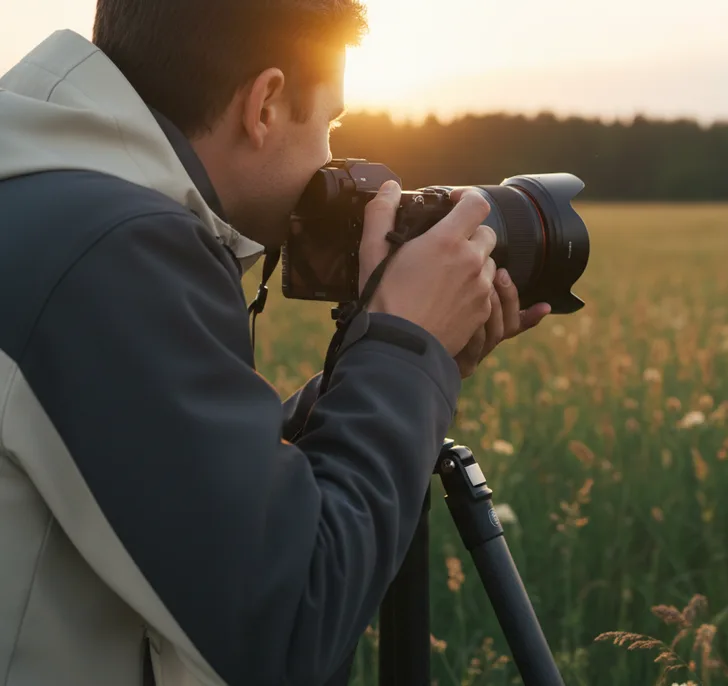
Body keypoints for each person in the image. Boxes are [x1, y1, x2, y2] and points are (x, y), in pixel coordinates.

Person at [0, 1, 551, 685]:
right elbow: (288, 626)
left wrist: (402, 360)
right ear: (264, 104)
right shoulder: (109, 250)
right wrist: (404, 357)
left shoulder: (44, 197)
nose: (330, 156)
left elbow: (171, 489)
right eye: (330, 123)